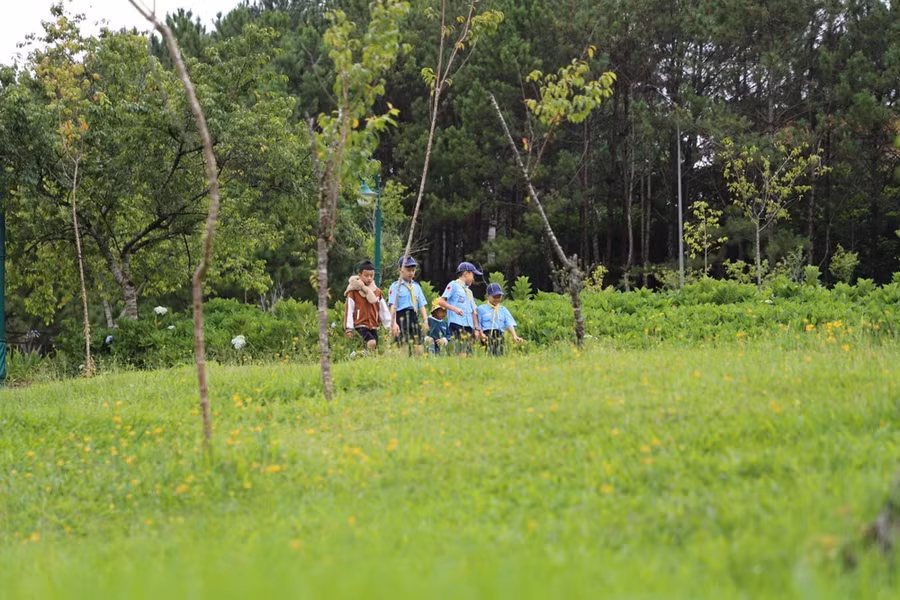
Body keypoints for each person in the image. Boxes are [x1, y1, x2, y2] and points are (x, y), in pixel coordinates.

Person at [344, 260, 391, 355]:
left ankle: (359, 357)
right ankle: (360, 356)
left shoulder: (377, 292)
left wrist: (389, 325)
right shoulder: (353, 292)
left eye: (371, 276)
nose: (369, 278)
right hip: (360, 325)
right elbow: (349, 310)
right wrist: (349, 328)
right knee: (371, 343)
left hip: (373, 325)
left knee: (373, 349)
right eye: (366, 276)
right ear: (360, 275)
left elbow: (383, 310)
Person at [439, 261, 483, 355]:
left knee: (469, 352)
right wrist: (455, 309)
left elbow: (473, 311)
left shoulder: (469, 292)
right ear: (466, 274)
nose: (474, 278)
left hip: (468, 325)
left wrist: (476, 328)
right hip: (456, 323)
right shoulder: (454, 285)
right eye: (473, 275)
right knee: (461, 350)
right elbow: (441, 302)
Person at [388, 256, 428, 354]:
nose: (411, 273)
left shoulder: (416, 287)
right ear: (400, 270)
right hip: (401, 318)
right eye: (408, 270)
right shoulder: (395, 287)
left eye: (413, 270)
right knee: (403, 348)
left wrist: (425, 320)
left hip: (413, 317)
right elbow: (392, 306)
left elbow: (421, 305)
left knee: (419, 347)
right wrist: (393, 323)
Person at [477, 282, 524, 356]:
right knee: (489, 354)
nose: (497, 299)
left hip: (499, 334)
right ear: (488, 296)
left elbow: (509, 323)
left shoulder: (503, 309)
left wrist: (514, 335)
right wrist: (481, 334)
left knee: (499, 354)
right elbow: (478, 323)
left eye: (499, 297)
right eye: (494, 297)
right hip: (486, 335)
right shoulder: (481, 309)